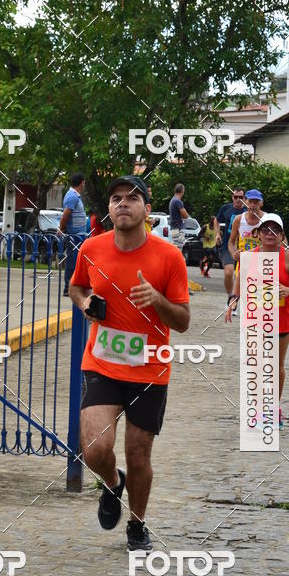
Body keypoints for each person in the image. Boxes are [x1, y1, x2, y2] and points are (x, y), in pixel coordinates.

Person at [69, 175, 190, 551]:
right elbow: (76, 286)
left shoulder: (168, 256)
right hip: (102, 363)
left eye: (132, 198)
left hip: (150, 369)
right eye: (116, 198)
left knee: (138, 454)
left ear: (147, 210)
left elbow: (183, 321)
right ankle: (111, 483)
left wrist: (157, 299)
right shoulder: (91, 248)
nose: (123, 204)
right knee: (93, 449)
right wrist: (85, 303)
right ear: (108, 209)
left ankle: (137, 525)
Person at [225, 213, 289, 429]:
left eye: (275, 230)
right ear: (258, 234)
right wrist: (232, 303)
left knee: (276, 365)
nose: (269, 234)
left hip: (281, 321)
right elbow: (238, 285)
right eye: (265, 230)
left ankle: (273, 409)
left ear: (282, 235)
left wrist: (287, 290)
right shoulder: (248, 257)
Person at [213, 188, 246, 300]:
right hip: (228, 245)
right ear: (232, 197)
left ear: (244, 198)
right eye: (235, 197)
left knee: (242, 276)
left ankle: (239, 298)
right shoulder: (226, 208)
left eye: (240, 197)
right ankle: (231, 298)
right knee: (228, 272)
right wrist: (217, 234)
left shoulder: (249, 210)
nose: (238, 199)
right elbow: (216, 221)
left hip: (244, 247)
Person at [59, 173, 87, 296]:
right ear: (82, 182)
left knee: (77, 261)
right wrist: (61, 228)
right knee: (72, 261)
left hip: (78, 236)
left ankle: (74, 287)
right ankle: (68, 288)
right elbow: (66, 214)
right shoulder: (72, 197)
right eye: (84, 182)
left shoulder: (74, 196)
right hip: (74, 236)